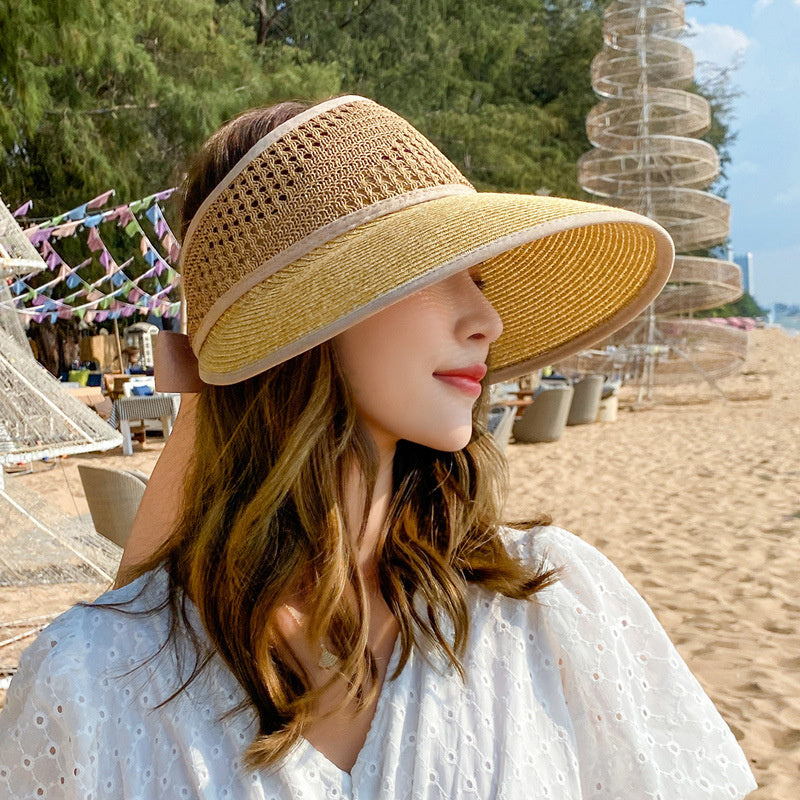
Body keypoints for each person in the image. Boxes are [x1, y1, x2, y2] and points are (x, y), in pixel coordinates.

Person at [0, 96, 756, 799]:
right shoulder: (90, 683)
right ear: (303, 316)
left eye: (481, 276)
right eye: (437, 271)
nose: (486, 320)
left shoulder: (553, 611)